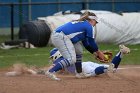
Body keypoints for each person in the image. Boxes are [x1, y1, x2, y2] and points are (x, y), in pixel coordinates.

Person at [45, 11, 105, 80]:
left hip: (62, 36)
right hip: (60, 36)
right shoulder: (88, 26)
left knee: (79, 50)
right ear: (91, 20)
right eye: (95, 22)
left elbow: (86, 44)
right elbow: (91, 42)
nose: (95, 24)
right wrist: (99, 53)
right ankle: (50, 72)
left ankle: (79, 73)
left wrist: (95, 53)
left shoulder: (83, 24)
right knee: (71, 59)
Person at [48, 45, 130, 78]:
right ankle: (121, 53)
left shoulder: (61, 62)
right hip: (86, 64)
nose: (52, 59)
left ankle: (108, 66)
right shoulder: (69, 57)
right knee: (112, 68)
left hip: (84, 69)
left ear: (56, 55)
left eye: (53, 57)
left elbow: (58, 69)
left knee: (109, 69)